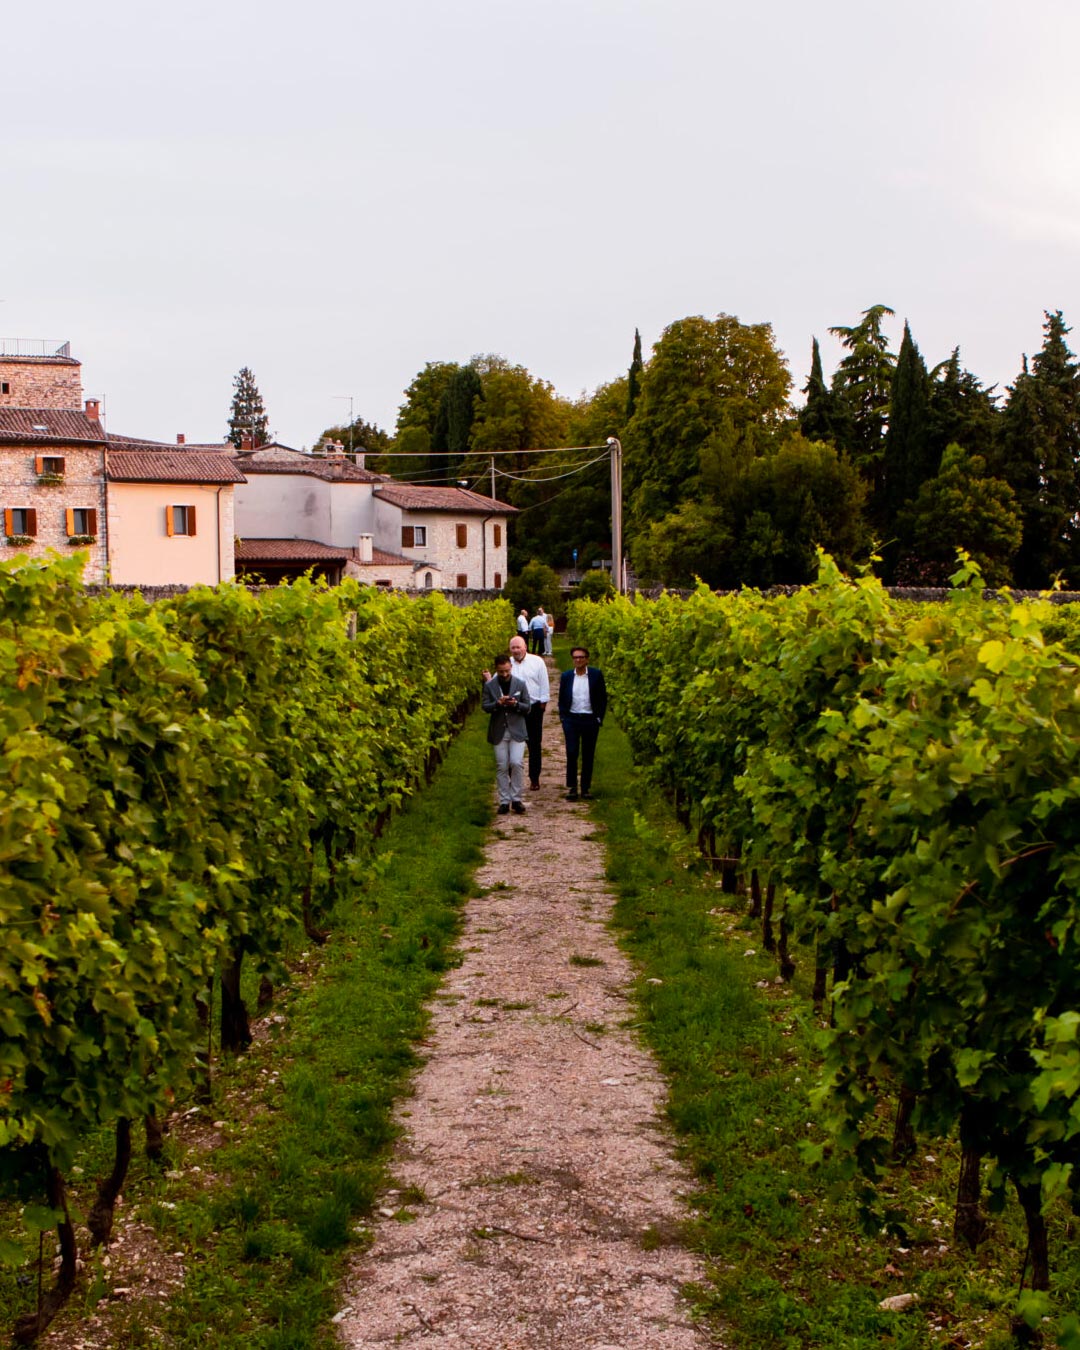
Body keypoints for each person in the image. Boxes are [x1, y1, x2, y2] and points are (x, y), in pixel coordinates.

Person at [482, 654, 532, 814]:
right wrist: (497, 704)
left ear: (510, 667)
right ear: (496, 669)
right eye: (501, 672)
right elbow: (485, 706)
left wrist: (515, 704)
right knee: (502, 765)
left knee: (517, 763)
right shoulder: (490, 686)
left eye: (506, 671)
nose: (504, 674)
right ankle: (504, 800)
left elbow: (527, 707)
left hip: (517, 729)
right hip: (499, 730)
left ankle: (516, 798)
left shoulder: (520, 684)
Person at [558, 646, 608, 802]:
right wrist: (563, 717)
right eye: (575, 657)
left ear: (587, 659)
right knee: (572, 752)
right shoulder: (566, 676)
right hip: (572, 718)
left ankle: (585, 787)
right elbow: (561, 698)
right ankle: (572, 787)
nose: (578, 660)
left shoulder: (595, 675)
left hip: (589, 719)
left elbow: (602, 697)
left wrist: (599, 717)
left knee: (588, 754)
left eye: (581, 657)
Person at [508, 634, 550, 790]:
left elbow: (544, 683)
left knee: (534, 744)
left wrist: (543, 704)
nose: (516, 650)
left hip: (533, 708)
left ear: (525, 647)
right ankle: (513, 779)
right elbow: (496, 683)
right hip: (513, 711)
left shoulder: (537, 661)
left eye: (518, 647)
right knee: (512, 744)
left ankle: (534, 778)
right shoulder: (508, 664)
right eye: (513, 648)